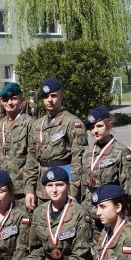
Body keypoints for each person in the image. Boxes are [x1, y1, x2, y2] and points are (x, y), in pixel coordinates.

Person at [23, 78, 86, 208]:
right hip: (43, 188)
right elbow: (31, 159)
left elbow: (78, 160)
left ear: (61, 96)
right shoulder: (37, 124)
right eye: (45, 97)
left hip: (63, 187)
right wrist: (29, 189)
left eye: (53, 96)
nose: (49, 100)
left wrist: (73, 190)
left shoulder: (72, 123)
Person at [78, 107, 131, 226]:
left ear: (109, 124)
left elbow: (128, 186)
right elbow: (84, 185)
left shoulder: (121, 152)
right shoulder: (87, 152)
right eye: (92, 127)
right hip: (89, 209)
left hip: (110, 211)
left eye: (99, 126)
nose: (95, 131)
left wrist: (127, 216)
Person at [0, 82, 34, 198]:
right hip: (4, 188)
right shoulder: (0, 126)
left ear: (21, 100)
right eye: (5, 100)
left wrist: (29, 189)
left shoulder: (29, 123)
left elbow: (33, 160)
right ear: (1, 101)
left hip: (23, 189)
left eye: (13, 99)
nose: (9, 103)